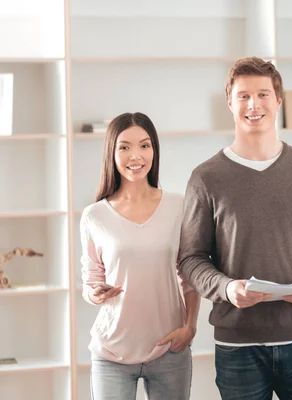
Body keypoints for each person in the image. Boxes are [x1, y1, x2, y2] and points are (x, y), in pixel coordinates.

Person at [177, 56, 292, 400]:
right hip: (237, 346)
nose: (253, 105)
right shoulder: (206, 178)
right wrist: (226, 289)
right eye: (243, 96)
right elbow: (190, 259)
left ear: (278, 100)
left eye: (263, 95)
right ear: (230, 102)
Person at [80, 112, 200, 400]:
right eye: (125, 147)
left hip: (170, 348)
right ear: (112, 152)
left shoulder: (178, 206)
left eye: (145, 146)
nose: (136, 155)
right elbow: (90, 280)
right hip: (112, 352)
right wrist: (94, 294)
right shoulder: (94, 215)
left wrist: (190, 327)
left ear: (154, 150)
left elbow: (191, 274)